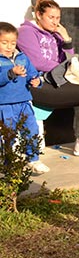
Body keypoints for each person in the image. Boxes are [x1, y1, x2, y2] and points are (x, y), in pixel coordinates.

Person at [17, 0, 79, 156]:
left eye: (58, 18)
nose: (55, 22)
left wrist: (66, 38)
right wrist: (65, 67)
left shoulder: (55, 34)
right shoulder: (26, 32)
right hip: (39, 85)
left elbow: (69, 59)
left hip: (58, 81)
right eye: (51, 17)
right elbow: (37, 62)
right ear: (39, 15)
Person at [0, 22, 49, 174]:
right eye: (4, 43)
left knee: (32, 130)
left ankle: (33, 159)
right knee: (8, 135)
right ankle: (7, 163)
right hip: (5, 105)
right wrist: (10, 73)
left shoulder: (22, 57)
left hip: (24, 102)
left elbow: (33, 73)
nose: (9, 46)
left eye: (13, 43)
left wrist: (37, 81)